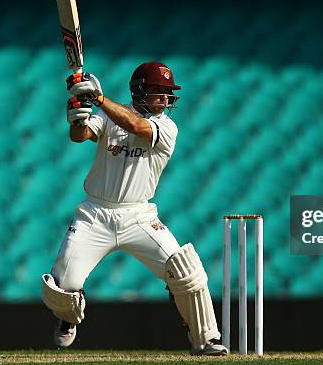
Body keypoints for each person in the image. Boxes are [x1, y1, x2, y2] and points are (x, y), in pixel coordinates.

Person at [40, 61, 228, 356]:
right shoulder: (108, 115)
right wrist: (77, 119)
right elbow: (81, 137)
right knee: (63, 285)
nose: (165, 99)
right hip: (95, 214)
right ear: (139, 91)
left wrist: (99, 99)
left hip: (139, 216)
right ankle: (67, 317)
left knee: (187, 271)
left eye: (168, 93)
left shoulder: (166, 126)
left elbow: (137, 126)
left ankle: (207, 340)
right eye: (158, 92)